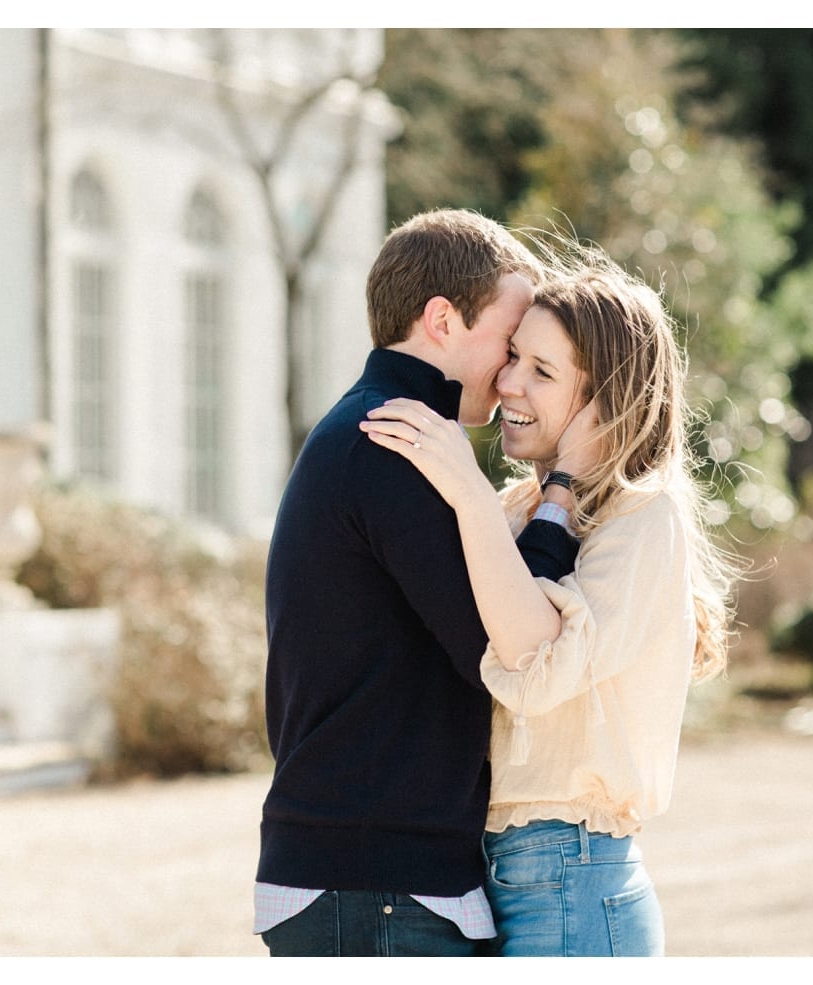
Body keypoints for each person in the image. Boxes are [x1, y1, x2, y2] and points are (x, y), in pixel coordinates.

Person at [360, 239, 742, 956]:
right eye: (512, 357)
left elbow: (536, 665)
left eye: (541, 370)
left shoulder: (642, 518)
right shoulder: (515, 509)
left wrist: (471, 496)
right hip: (492, 875)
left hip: (575, 875)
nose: (508, 383)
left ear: (606, 401)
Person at [254, 209, 582, 957]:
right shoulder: (394, 443)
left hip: (371, 881)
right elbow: (504, 640)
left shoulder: (377, 431)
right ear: (442, 319)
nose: (509, 375)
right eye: (507, 342)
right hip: (373, 889)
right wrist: (562, 496)